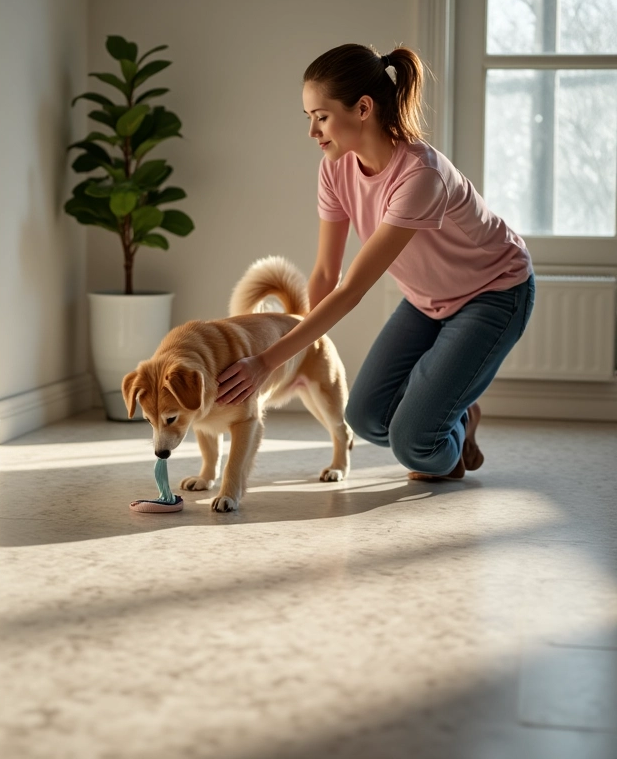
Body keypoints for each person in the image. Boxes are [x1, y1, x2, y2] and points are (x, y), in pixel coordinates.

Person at [216, 43, 535, 481]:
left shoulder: (420, 177)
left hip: (495, 292)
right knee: (364, 417)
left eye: (321, 116)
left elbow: (351, 289)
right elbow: (327, 273)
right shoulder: (335, 169)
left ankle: (448, 436)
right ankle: (452, 411)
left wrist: (267, 361)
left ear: (362, 108)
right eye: (307, 117)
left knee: (413, 445)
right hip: (427, 300)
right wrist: (301, 346)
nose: (312, 131)